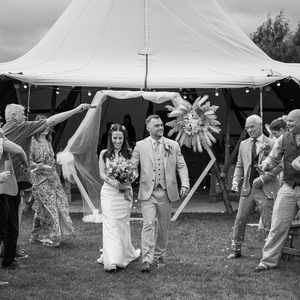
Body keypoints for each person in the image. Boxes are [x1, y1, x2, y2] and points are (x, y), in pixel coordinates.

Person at [1, 102, 91, 268]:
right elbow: (52, 121)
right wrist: (76, 110)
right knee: (12, 220)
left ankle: (10, 252)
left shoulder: (5, 130)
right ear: (14, 117)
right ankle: (9, 259)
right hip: (12, 180)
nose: (25, 116)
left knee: (9, 218)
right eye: (22, 113)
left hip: (12, 180)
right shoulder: (21, 127)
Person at [132, 115, 190, 272]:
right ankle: (146, 259)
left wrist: (185, 182)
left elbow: (181, 166)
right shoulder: (140, 146)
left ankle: (159, 255)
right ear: (148, 128)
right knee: (148, 224)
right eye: (156, 125)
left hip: (166, 192)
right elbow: (132, 166)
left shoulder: (173, 145)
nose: (160, 127)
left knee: (164, 227)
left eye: (161, 125)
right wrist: (127, 177)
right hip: (148, 193)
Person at [228, 115, 280, 259]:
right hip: (248, 188)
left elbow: (278, 166)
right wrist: (235, 181)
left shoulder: (273, 143)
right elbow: (239, 164)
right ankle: (236, 249)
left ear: (260, 125)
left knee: (268, 222)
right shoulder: (244, 144)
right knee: (240, 219)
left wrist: (264, 176)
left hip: (266, 189)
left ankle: (270, 253)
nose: (249, 130)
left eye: (252, 127)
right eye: (247, 128)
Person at [255, 110, 300, 272]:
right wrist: (266, 164)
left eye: (292, 122)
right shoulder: (283, 138)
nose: (288, 124)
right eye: (287, 121)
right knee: (278, 225)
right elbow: (273, 157)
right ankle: (267, 261)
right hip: (288, 187)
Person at [97, 123, 140, 272]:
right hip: (109, 192)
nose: (117, 141)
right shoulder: (104, 153)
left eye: (120, 138)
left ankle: (124, 253)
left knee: (122, 224)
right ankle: (112, 260)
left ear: (124, 138)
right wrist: (115, 184)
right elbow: (102, 174)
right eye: (115, 138)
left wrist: (126, 183)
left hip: (125, 193)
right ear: (110, 138)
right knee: (110, 224)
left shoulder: (129, 152)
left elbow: (134, 173)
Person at [29, 115, 74, 247]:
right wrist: (39, 166)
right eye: (43, 126)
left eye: (47, 126)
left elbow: (51, 161)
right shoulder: (32, 141)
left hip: (52, 178)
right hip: (40, 179)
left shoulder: (48, 140)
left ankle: (35, 235)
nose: (46, 128)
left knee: (48, 206)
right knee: (50, 206)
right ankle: (53, 237)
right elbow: (28, 161)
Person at [0, 128, 28, 270]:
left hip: (9, 188)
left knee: (9, 227)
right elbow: (19, 150)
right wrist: (26, 164)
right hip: (4, 189)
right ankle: (8, 259)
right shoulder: (3, 140)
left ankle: (8, 259)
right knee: (8, 227)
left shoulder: (3, 137)